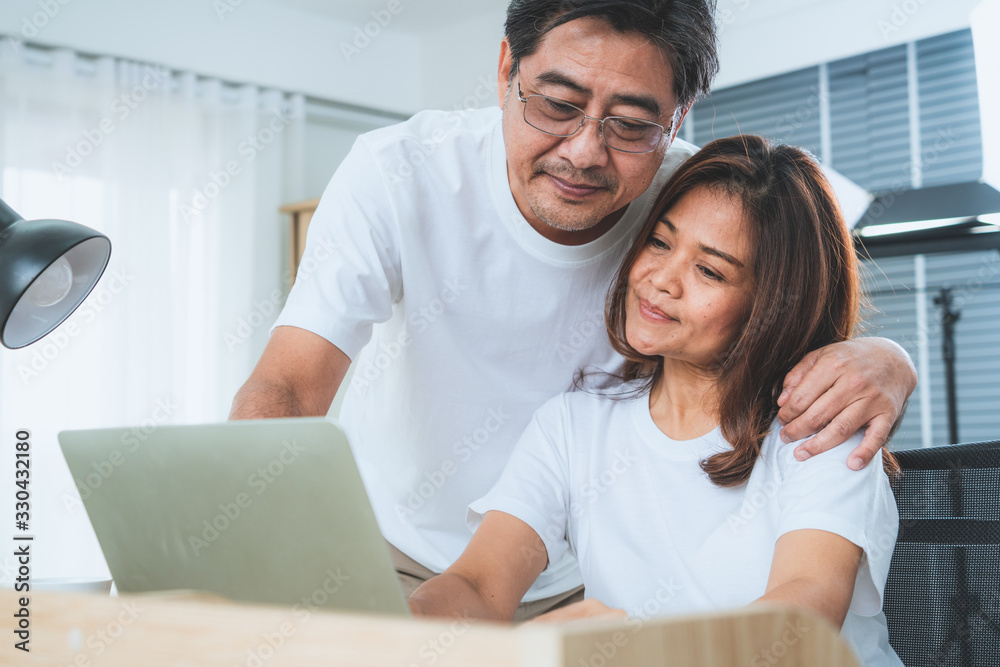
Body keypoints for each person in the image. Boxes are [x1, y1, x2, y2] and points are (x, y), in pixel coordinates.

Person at [229, 0, 917, 620]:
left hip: (583, 580)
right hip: (408, 545)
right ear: (507, 70)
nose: (585, 152)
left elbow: (805, 269)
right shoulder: (400, 173)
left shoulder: (695, 189)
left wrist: (888, 358)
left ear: (675, 119)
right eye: (557, 104)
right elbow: (288, 383)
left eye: (631, 123)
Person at [408, 135, 904, 666]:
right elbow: (479, 585)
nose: (661, 280)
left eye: (710, 271)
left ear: (772, 304)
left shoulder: (822, 428)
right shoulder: (573, 427)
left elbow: (799, 622)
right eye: (660, 243)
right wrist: (404, 628)